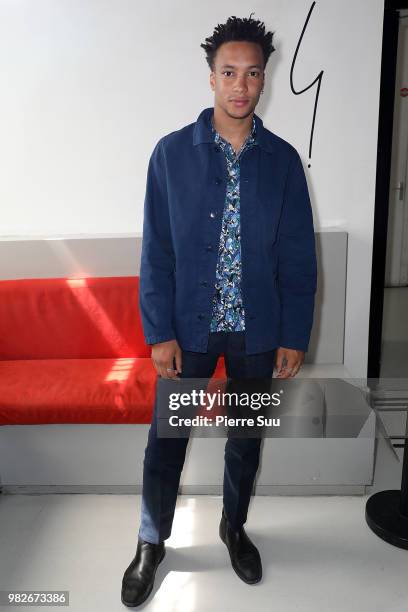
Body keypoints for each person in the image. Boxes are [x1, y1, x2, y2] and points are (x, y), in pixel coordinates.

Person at [121, 13, 317, 607]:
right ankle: (152, 541)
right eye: (228, 72)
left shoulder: (282, 162)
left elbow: (298, 253)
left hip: (258, 331)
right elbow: (155, 249)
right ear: (211, 78)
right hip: (190, 328)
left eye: (252, 74)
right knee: (167, 440)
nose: (241, 85)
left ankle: (235, 528)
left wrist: (293, 333)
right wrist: (159, 332)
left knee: (245, 439)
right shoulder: (171, 154)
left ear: (264, 81)